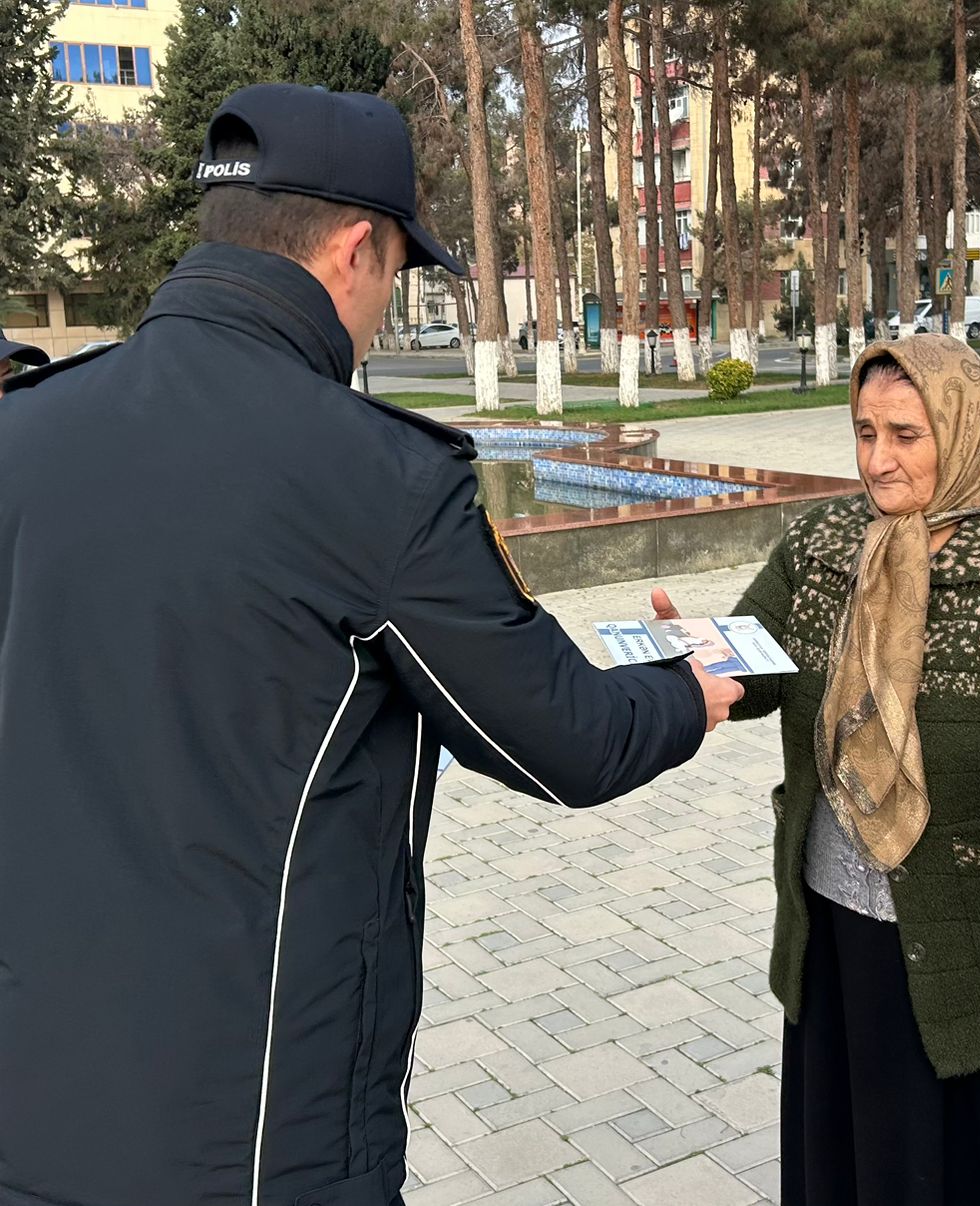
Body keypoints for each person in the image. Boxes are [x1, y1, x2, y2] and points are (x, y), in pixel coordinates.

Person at [0, 83, 742, 1206]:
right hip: (254, 1127)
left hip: (34, 1097)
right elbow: (564, 741)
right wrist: (688, 691)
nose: (383, 309)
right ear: (356, 250)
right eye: (395, 274)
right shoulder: (376, 476)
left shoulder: (26, 428)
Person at [656, 334, 980, 1205]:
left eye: (905, 435)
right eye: (864, 432)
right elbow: (760, 666)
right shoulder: (824, 542)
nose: (878, 460)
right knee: (861, 1162)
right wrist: (689, 653)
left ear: (961, 429)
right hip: (841, 937)